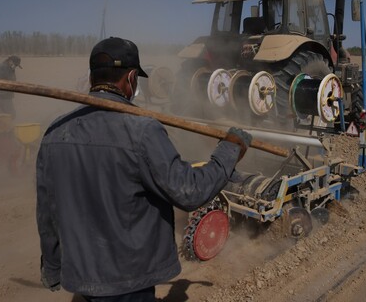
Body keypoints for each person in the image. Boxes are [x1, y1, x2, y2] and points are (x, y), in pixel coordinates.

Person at [36, 37, 252, 301]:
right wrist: (229, 151)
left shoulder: (56, 132)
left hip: (82, 277)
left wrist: (53, 265)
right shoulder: (142, 131)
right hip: (128, 281)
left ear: (92, 77)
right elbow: (189, 192)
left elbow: (47, 210)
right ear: (130, 78)